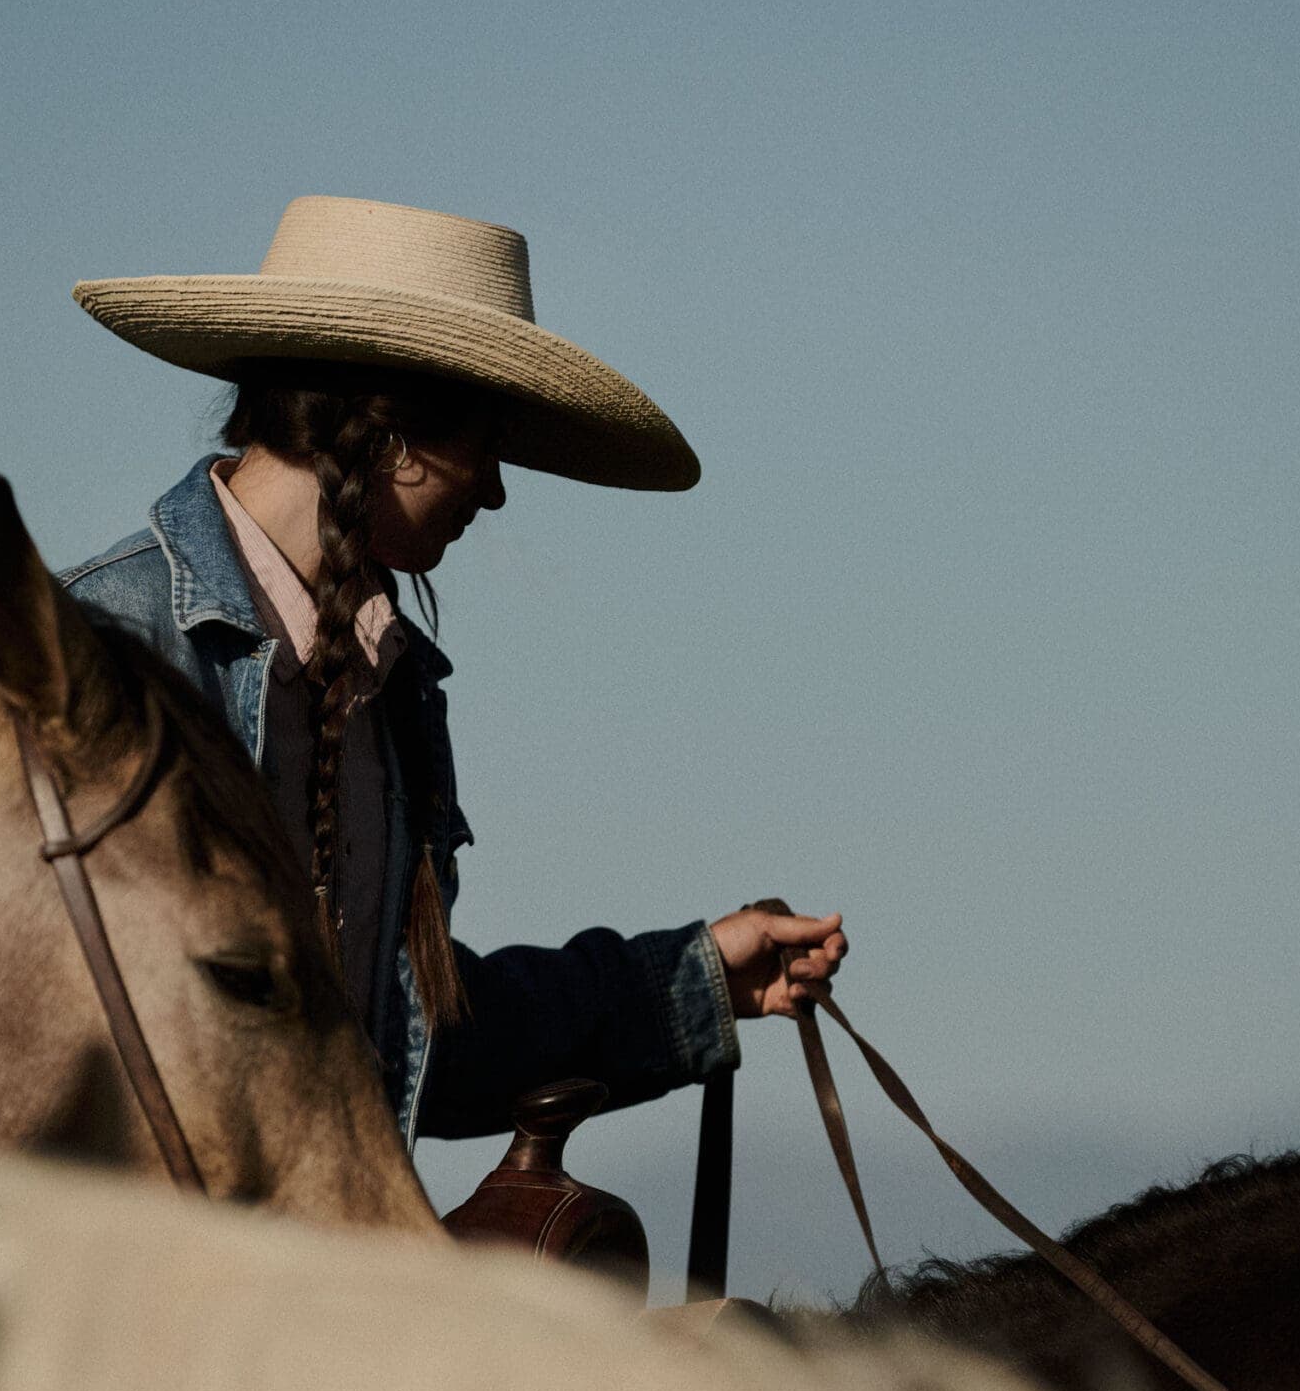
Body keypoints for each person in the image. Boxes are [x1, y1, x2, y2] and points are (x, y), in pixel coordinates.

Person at [60, 195, 847, 1144]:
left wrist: (696, 978)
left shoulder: (391, 686)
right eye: (489, 443)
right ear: (388, 430)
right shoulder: (95, 647)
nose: (498, 491)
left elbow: (411, 1050)